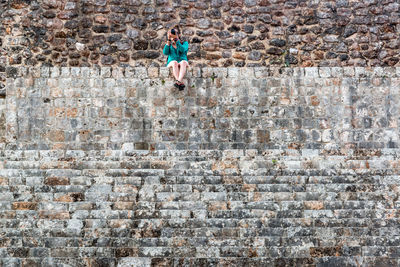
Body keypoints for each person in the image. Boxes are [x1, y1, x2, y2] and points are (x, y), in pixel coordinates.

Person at [162, 26, 189, 90]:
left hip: (183, 62)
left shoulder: (184, 43)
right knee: (175, 62)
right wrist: (168, 40)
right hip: (172, 63)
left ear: (179, 34)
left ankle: (178, 82)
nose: (174, 35)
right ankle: (179, 81)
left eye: (175, 33)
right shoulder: (170, 45)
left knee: (183, 62)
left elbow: (182, 50)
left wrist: (177, 41)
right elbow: (165, 52)